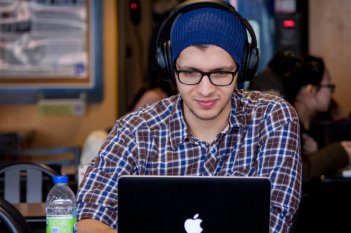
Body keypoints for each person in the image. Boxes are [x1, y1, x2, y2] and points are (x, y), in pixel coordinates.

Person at [76, 1, 302, 232]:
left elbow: (275, 223)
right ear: (170, 69)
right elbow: (90, 217)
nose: (205, 90)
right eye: (189, 73)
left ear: (242, 68)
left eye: (221, 73)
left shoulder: (273, 118)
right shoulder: (135, 128)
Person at [280, 55, 351, 184]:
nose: (331, 92)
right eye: (329, 86)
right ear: (310, 90)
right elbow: (290, 176)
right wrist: (338, 153)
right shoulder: (284, 124)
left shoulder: (314, 122)